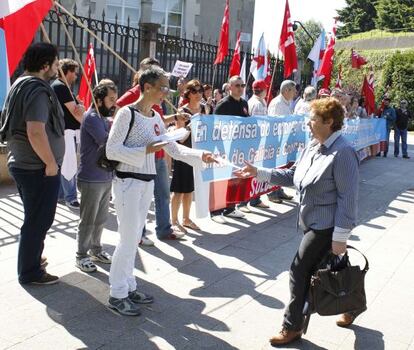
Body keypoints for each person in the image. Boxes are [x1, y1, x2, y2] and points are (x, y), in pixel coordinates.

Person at [234, 98, 362, 346]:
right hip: (310, 222)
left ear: (329, 122)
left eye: (313, 119)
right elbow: (293, 176)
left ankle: (292, 326)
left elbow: (349, 198)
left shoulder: (343, 152)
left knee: (298, 270)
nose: (308, 123)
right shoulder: (313, 146)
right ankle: (353, 303)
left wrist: (340, 238)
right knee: (332, 270)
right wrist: (257, 171)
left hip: (327, 227)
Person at [105, 66, 216, 316]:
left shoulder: (156, 117)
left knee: (134, 237)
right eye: (163, 87)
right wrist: (145, 150)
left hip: (146, 183)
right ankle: (117, 293)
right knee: (127, 238)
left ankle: (129, 285)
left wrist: (201, 155)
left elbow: (173, 149)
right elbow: (111, 150)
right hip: (127, 183)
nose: (167, 93)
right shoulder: (126, 114)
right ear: (147, 88)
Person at [0, 43, 64, 285]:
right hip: (37, 167)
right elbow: (35, 132)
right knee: (39, 220)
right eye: (56, 64)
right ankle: (30, 272)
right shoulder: (37, 90)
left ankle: (32, 257)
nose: (57, 69)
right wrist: (50, 164)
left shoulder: (19, 83)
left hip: (23, 163)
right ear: (45, 65)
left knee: (34, 218)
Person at [116, 57, 188, 245]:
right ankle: (137, 234)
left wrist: (175, 117)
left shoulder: (157, 104)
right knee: (138, 205)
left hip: (158, 156)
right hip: (136, 165)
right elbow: (118, 117)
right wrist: (140, 147)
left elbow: (159, 126)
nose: (165, 92)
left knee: (162, 194)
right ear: (147, 82)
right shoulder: (131, 100)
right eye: (162, 86)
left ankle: (163, 230)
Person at [75, 81, 118, 273]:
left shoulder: (103, 118)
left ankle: (96, 249)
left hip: (105, 176)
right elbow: (107, 141)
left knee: (100, 218)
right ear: (99, 100)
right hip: (91, 177)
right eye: (110, 100)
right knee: (88, 219)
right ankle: (81, 255)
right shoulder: (92, 117)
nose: (114, 104)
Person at [170, 80, 210, 233]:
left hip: (198, 152)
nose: (198, 94)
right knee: (179, 189)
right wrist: (188, 126)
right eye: (194, 91)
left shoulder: (205, 108)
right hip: (184, 152)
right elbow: (179, 138)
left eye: (200, 91)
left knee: (190, 189)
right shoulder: (182, 111)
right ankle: (174, 221)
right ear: (188, 93)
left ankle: (186, 218)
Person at [210, 75, 249, 223]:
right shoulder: (223, 104)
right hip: (224, 147)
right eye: (237, 85)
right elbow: (215, 126)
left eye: (242, 85)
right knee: (221, 179)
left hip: (238, 147)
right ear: (230, 87)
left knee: (235, 177)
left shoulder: (244, 103)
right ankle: (216, 211)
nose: (240, 88)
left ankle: (230, 208)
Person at [51, 59, 85, 209]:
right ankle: (70, 197)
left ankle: (60, 195)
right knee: (69, 164)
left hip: (65, 131)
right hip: (66, 131)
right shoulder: (61, 87)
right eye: (74, 72)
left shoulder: (62, 87)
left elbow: (76, 109)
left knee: (64, 164)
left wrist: (80, 108)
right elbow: (76, 113)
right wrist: (84, 116)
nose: (76, 76)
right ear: (67, 72)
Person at [267, 80, 296, 204]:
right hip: (276, 141)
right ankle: (272, 192)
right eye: (293, 90)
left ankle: (278, 189)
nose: (295, 93)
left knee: (281, 165)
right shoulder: (277, 103)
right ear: (286, 90)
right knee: (274, 166)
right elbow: (274, 123)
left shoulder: (287, 103)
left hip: (284, 140)